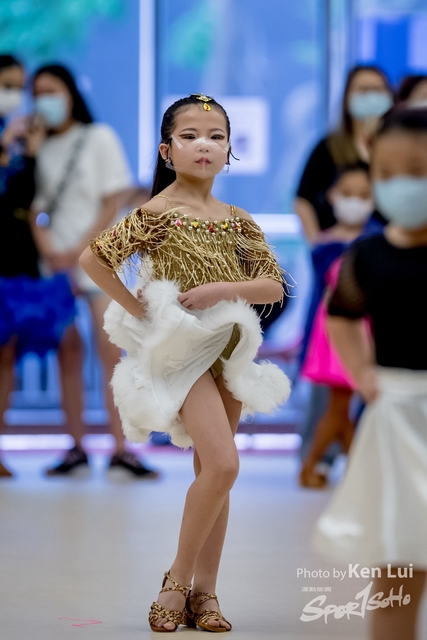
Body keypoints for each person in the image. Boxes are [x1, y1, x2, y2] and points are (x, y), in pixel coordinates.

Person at [79, 93, 291, 632]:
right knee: (224, 464)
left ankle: (206, 594)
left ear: (229, 151)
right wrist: (139, 311)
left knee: (213, 473)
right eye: (190, 135)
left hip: (228, 350)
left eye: (217, 137)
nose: (204, 145)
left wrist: (222, 288)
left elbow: (272, 285)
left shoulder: (237, 220)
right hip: (181, 353)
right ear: (167, 150)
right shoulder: (156, 212)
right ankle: (176, 581)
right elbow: (93, 260)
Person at [312, 108, 427, 640]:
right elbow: (340, 314)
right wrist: (360, 370)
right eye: (388, 173)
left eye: (418, 171)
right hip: (397, 415)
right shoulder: (368, 255)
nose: (403, 184)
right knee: (398, 558)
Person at [30, 63, 158, 478]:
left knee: (112, 351)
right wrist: (52, 251)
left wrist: (79, 250)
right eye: (38, 93)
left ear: (70, 92)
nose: (45, 100)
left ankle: (123, 448)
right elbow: (33, 207)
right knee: (67, 351)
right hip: (55, 264)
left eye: (52, 90)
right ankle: (76, 447)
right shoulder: (39, 147)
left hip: (99, 260)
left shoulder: (98, 137)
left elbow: (111, 202)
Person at [0, 54, 75, 478]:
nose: (14, 95)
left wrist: (28, 152)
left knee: (6, 354)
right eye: (7, 85)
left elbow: (27, 200)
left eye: (18, 87)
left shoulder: (25, 140)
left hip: (18, 262)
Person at [299, 163, 374, 488]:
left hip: (362, 333)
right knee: (338, 407)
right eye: (347, 193)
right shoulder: (327, 246)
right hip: (337, 337)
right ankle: (312, 465)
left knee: (345, 409)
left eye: (364, 194)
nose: (355, 201)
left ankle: (351, 469)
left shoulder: (374, 241)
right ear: (331, 195)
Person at [294, 65, 392, 243]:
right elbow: (303, 199)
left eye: (378, 90)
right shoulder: (329, 146)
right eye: (363, 90)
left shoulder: (395, 147)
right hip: (336, 247)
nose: (371, 96)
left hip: (387, 245)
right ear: (347, 97)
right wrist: (317, 244)